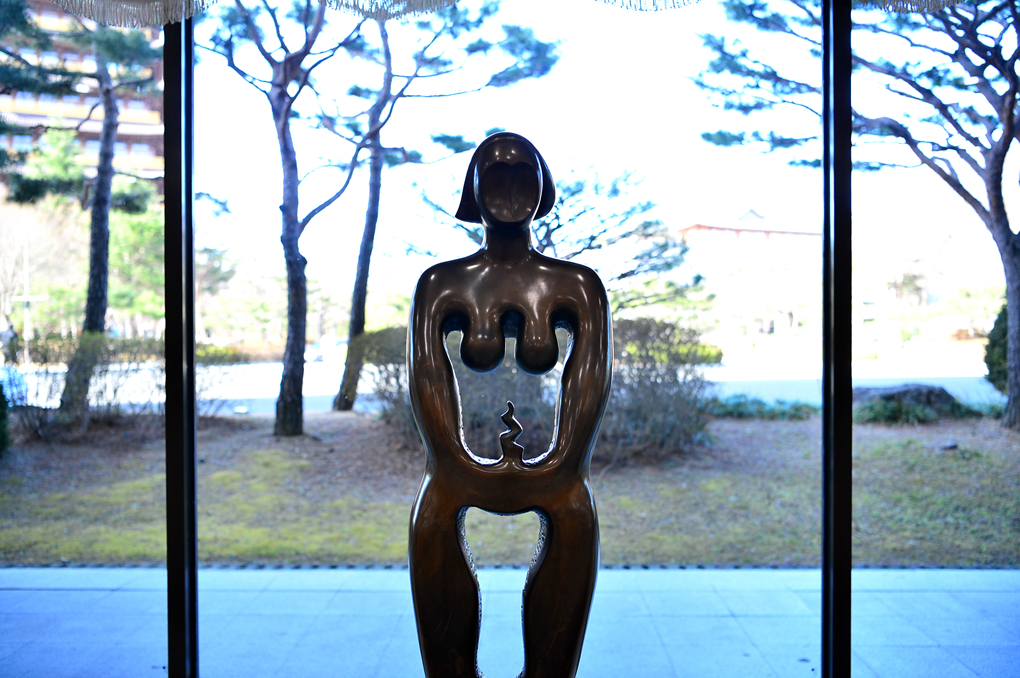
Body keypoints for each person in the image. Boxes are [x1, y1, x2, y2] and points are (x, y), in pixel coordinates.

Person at [407, 132, 613, 678]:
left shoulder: (578, 286)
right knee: (434, 518)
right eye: (496, 174)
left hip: (562, 475)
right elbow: (427, 378)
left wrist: (561, 461)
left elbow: (589, 381)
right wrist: (456, 461)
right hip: (450, 472)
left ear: (544, 188)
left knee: (573, 511)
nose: (511, 187)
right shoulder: (441, 284)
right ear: (472, 189)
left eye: (524, 173)